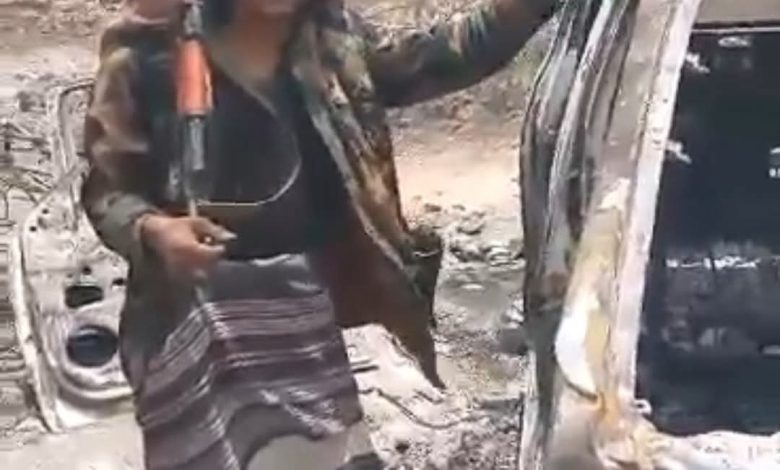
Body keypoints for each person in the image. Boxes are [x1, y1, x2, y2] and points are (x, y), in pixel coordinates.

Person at [82, 0, 558, 468]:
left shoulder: (333, 40)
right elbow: (107, 191)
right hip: (197, 331)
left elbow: (444, 55)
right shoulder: (145, 52)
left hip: (308, 328)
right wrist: (155, 231)